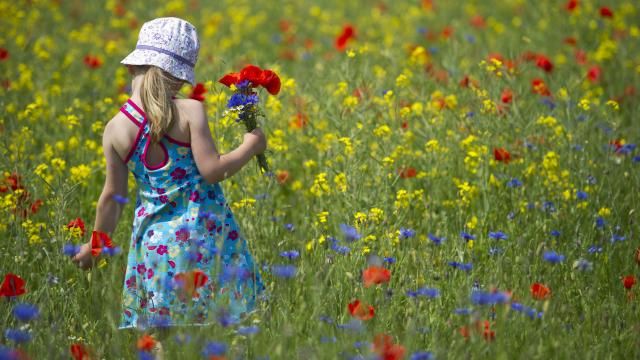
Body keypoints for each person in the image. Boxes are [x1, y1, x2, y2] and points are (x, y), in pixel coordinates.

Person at [71, 17, 267, 331]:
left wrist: (96, 248)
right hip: (205, 238)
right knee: (218, 333)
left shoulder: (116, 129)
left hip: (155, 248)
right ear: (179, 79)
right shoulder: (190, 111)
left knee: (163, 337)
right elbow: (213, 171)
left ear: (132, 67)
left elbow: (112, 199)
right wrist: (251, 145)